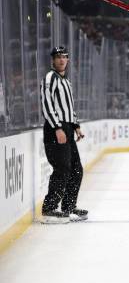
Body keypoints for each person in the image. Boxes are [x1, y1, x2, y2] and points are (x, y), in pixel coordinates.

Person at [40, 46, 88, 224]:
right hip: (56, 129)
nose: (61, 60)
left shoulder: (66, 82)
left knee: (76, 169)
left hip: (67, 128)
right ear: (53, 60)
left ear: (68, 60)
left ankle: (68, 207)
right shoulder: (49, 78)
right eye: (58, 57)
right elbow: (46, 104)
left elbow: (69, 107)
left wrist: (76, 126)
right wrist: (57, 127)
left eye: (64, 57)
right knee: (62, 169)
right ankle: (49, 209)